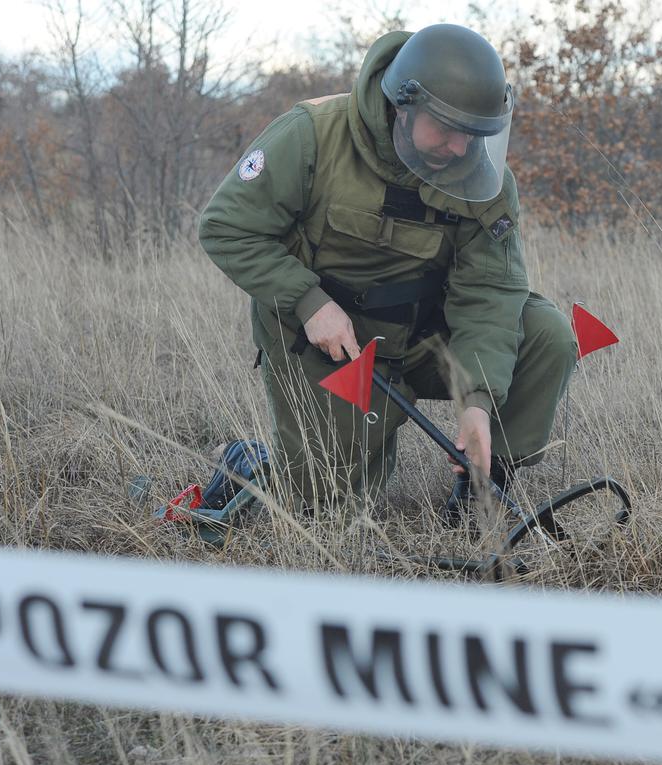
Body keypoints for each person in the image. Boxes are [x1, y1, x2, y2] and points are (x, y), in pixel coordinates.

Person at [197, 23, 576, 519]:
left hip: (424, 333)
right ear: (403, 104)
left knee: (545, 333)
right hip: (328, 337)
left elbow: (491, 291)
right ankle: (252, 464)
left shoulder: (483, 178)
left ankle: (481, 491)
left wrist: (478, 399)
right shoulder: (311, 135)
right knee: (325, 508)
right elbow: (226, 228)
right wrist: (309, 303)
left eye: (474, 134)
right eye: (447, 129)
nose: (462, 149)